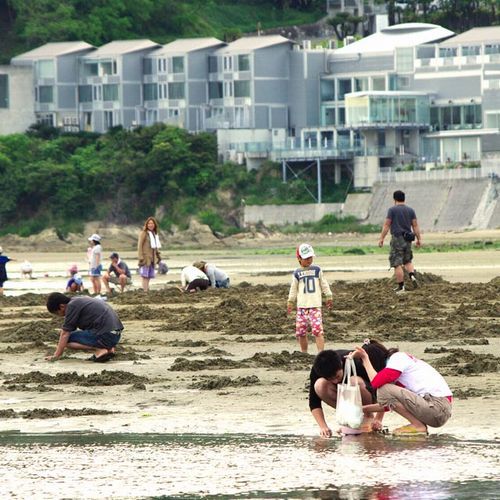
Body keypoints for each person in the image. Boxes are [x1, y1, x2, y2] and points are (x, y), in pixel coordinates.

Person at [352, 339, 453, 436]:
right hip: (436, 410)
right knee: (384, 390)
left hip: (438, 408)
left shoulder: (398, 358)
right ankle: (418, 425)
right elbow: (388, 405)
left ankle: (418, 426)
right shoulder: (400, 369)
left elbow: (377, 383)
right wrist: (361, 409)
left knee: (383, 389)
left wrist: (365, 359)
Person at [310, 343, 388, 437]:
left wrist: (378, 419)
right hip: (345, 399)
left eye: (337, 376)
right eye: (330, 379)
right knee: (319, 385)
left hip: (369, 394)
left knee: (353, 381)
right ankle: (348, 418)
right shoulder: (317, 369)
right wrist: (323, 427)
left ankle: (368, 416)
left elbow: (383, 389)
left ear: (341, 364)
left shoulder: (355, 361)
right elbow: (314, 402)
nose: (335, 381)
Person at [45, 292, 123, 362]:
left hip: (105, 335)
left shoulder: (71, 306)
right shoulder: (78, 300)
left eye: (57, 313)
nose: (60, 316)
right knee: (80, 334)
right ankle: (109, 349)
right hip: (115, 335)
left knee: (67, 341)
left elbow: (65, 333)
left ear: (61, 306)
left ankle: (99, 349)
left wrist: (56, 355)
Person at [287, 243, 332, 353]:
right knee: (301, 332)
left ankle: (321, 352)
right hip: (301, 307)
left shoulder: (317, 270)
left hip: (315, 307)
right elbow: (293, 288)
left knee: (318, 331)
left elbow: (324, 284)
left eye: (310, 257)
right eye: (306, 258)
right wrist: (290, 301)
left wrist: (329, 296)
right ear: (299, 258)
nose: (308, 260)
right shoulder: (297, 272)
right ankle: (304, 352)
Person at [378, 190, 422, 294]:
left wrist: (381, 238)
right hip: (408, 238)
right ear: (404, 198)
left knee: (396, 263)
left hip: (397, 238)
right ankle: (411, 275)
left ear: (394, 199)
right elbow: (415, 225)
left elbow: (387, 225)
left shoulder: (392, 210)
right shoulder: (410, 210)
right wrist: (419, 239)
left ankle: (401, 286)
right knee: (407, 260)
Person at [137, 216, 162, 292]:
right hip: (145, 258)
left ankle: (146, 289)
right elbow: (139, 245)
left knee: (149, 276)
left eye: (152, 223)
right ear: (147, 225)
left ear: (154, 225)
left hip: (152, 258)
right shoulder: (144, 233)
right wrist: (141, 257)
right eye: (149, 223)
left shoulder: (154, 234)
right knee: (144, 275)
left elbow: (155, 248)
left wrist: (158, 256)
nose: (150, 225)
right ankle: (145, 291)